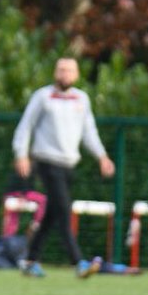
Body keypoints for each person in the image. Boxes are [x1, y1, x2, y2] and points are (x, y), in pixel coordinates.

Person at [12, 56, 115, 278]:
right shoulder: (43, 96)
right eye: (60, 69)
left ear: (76, 74)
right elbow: (25, 126)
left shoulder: (82, 99)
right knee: (64, 210)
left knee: (52, 214)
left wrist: (102, 157)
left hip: (69, 164)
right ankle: (79, 262)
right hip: (47, 162)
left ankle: (30, 261)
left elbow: (89, 132)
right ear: (54, 72)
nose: (64, 74)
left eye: (68, 70)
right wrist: (21, 154)